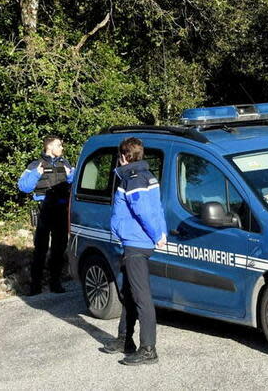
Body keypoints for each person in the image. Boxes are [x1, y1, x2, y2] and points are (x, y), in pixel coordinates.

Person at [101, 137, 166, 366]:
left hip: (136, 244)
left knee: (141, 297)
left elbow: (144, 211)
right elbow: (157, 208)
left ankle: (148, 349)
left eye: (120, 156)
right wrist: (162, 232)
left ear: (125, 156)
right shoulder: (144, 176)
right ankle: (124, 339)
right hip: (134, 242)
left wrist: (158, 235)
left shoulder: (134, 179)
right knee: (128, 293)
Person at [17, 135, 76, 296]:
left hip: (61, 211)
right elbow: (23, 187)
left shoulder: (65, 164)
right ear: (50, 147)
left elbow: (76, 182)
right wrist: (36, 174)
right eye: (59, 145)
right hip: (44, 211)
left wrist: (70, 175)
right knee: (40, 249)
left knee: (59, 248)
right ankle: (35, 285)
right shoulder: (35, 165)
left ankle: (55, 282)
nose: (62, 148)